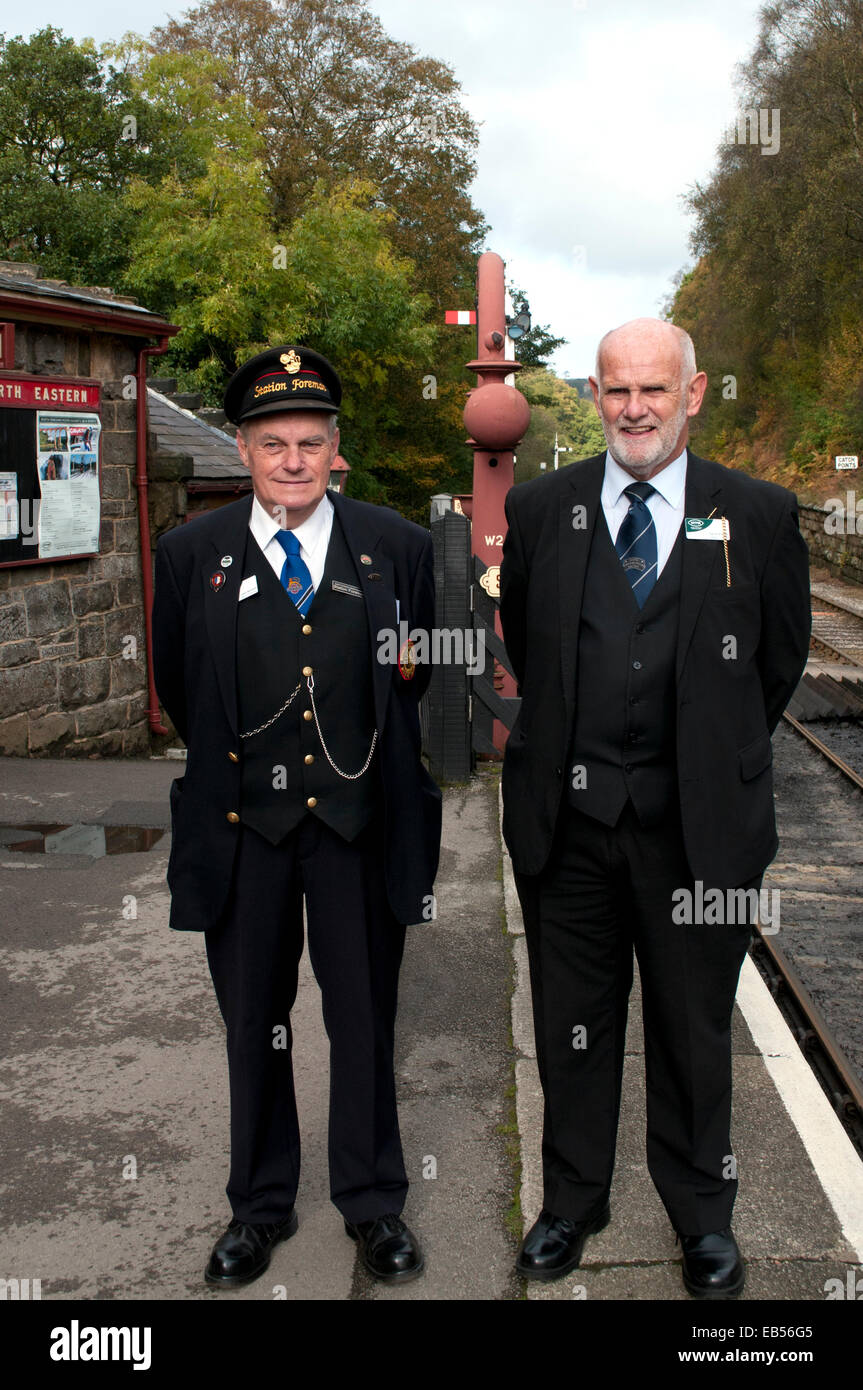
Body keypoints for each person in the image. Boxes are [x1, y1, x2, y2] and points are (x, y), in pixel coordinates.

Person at [499, 317, 810, 1298]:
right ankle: (571, 1201)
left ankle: (699, 1216)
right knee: (571, 1028)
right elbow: (529, 642)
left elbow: (775, 662)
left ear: (692, 392)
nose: (632, 408)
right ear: (593, 395)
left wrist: (706, 759)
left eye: (651, 390)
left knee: (691, 1031)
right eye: (614, 390)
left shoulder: (753, 513)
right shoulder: (546, 509)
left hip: (697, 835)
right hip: (570, 826)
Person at [152, 345, 442, 1287]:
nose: (291, 460)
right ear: (241, 449)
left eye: (309, 443)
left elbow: (413, 680)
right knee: (255, 1025)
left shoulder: (394, 546)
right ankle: (258, 1209)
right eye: (272, 442)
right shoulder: (189, 556)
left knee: (363, 1018)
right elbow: (182, 692)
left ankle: (373, 1204)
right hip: (245, 835)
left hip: (360, 827)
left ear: (334, 451)